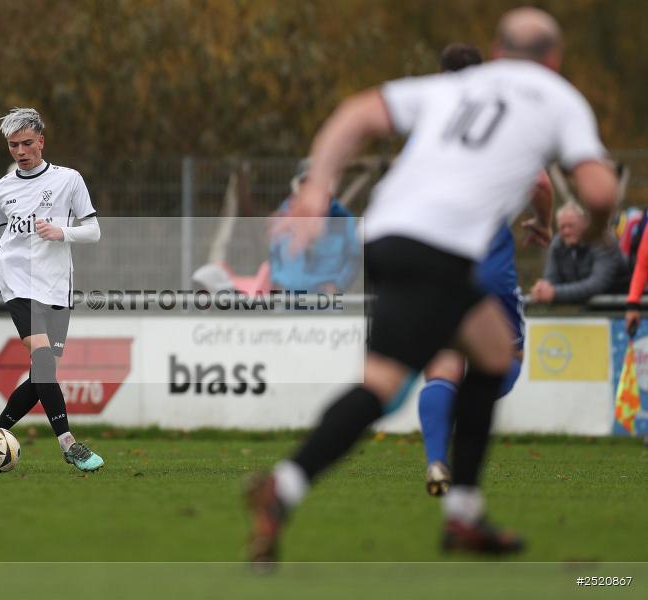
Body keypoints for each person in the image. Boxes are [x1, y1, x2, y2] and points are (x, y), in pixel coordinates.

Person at [246, 7, 617, 567]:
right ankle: (287, 484)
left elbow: (356, 113)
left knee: (492, 352)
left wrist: (316, 190)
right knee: (382, 385)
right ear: (555, 59)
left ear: (497, 49)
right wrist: (590, 232)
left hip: (392, 235)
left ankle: (462, 512)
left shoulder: (456, 88)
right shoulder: (559, 98)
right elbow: (600, 189)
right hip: (436, 250)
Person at [416, 44, 554, 497]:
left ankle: (437, 457)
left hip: (435, 265)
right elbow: (538, 182)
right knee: (504, 360)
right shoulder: (501, 120)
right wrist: (544, 222)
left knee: (441, 367)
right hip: (488, 267)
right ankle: (458, 438)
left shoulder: (429, 123)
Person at [0, 108, 104, 472]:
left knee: (40, 374)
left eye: (27, 143)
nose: (20, 151)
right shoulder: (3, 187)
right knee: (44, 362)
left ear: (41, 141)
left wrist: (62, 232)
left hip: (57, 285)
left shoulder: (69, 180)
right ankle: (69, 444)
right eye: (13, 145)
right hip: (16, 279)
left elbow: (93, 231)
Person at [269, 158, 361, 294]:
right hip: (286, 303)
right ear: (296, 186)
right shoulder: (282, 218)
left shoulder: (344, 220)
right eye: (305, 183)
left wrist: (339, 285)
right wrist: (277, 280)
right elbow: (274, 255)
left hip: (326, 305)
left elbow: (354, 258)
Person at [530, 200, 629, 304]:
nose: (566, 231)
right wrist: (542, 289)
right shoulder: (557, 244)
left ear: (585, 223)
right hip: (590, 310)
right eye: (562, 227)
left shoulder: (604, 241)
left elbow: (597, 285)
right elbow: (551, 280)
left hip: (621, 308)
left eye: (571, 226)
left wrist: (554, 293)